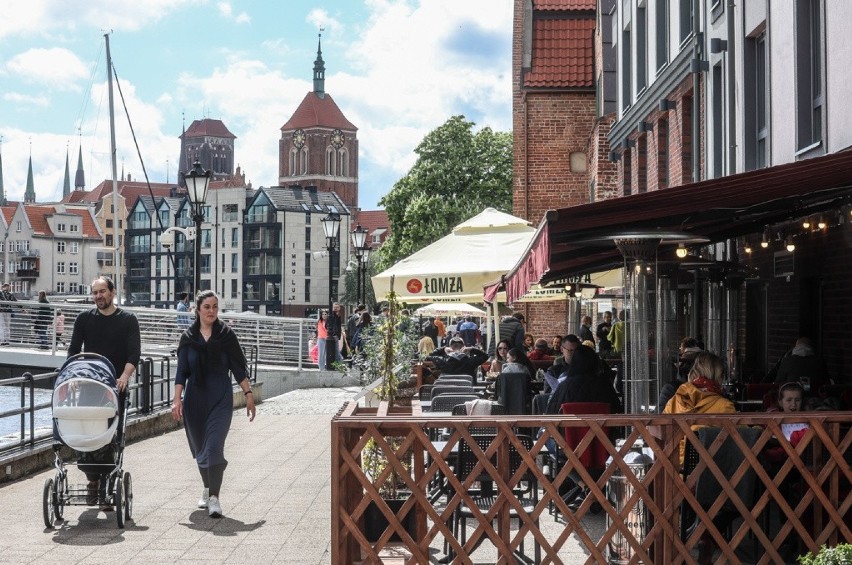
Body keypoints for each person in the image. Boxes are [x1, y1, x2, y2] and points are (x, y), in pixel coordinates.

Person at [171, 290, 255, 518]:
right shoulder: (188, 337)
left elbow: (239, 367)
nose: (211, 311)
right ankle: (207, 489)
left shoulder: (226, 335)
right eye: (207, 307)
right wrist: (176, 399)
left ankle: (215, 498)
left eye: (215, 307)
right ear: (198, 309)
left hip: (220, 398)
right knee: (201, 451)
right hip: (195, 401)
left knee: (215, 446)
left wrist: (248, 394)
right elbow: (181, 372)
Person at [67, 276, 141, 511]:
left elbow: (134, 354)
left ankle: (107, 485)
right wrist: (72, 376)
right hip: (88, 386)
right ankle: (92, 481)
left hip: (115, 386)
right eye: (95, 293)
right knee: (88, 434)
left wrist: (124, 377)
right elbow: (73, 350)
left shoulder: (128, 320)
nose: (98, 296)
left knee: (111, 436)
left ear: (112, 292)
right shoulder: (84, 319)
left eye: (102, 292)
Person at [663, 351, 735, 464]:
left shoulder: (674, 401)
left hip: (673, 470)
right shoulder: (724, 406)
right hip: (711, 472)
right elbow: (741, 437)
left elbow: (661, 434)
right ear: (718, 376)